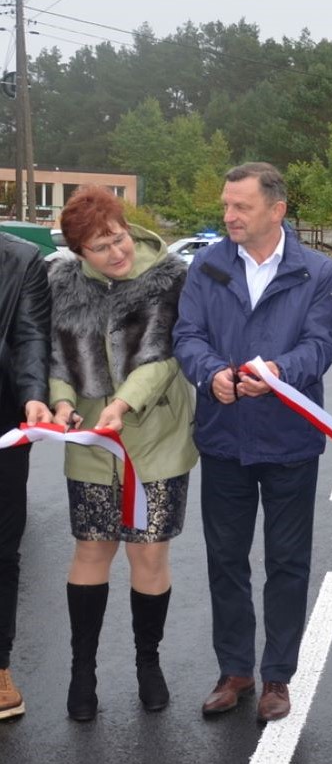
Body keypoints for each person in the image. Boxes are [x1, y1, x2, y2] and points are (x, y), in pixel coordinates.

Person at [174, 163, 332, 723]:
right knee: (225, 559)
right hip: (224, 439)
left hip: (290, 439)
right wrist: (210, 373)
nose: (229, 216)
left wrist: (275, 372)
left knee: (288, 562)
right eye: (226, 205)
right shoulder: (208, 263)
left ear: (277, 210)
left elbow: (321, 346)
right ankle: (235, 670)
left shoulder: (316, 271)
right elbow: (187, 335)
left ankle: (277, 677)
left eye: (241, 206)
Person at [48, 189, 197, 721]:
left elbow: (165, 355)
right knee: (92, 549)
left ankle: (146, 662)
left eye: (118, 237)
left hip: (155, 435)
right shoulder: (60, 283)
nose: (116, 252)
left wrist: (124, 403)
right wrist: (63, 403)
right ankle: (81, 671)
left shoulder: (171, 277)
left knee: (149, 553)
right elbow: (56, 357)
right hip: (90, 438)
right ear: (78, 253)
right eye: (99, 247)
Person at [0, 231, 51, 720]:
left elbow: (31, 335)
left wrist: (33, 394)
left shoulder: (22, 258)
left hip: (3, 425)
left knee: (1, 548)